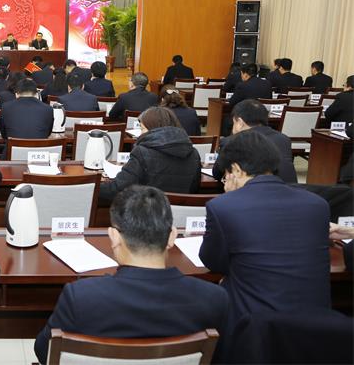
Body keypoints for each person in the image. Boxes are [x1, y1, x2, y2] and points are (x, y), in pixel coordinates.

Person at [35, 185, 228, 364]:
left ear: (114, 237)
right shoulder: (213, 298)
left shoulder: (80, 297)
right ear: (172, 236)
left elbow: (45, 352)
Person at [200, 130, 331, 344]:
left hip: (255, 330)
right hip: (317, 327)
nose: (225, 183)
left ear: (236, 170)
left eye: (225, 176)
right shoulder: (317, 205)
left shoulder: (223, 206)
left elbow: (213, 261)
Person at [99, 107, 201, 203]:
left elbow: (118, 189)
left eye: (142, 129)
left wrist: (93, 187)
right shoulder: (194, 154)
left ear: (153, 129)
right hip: (178, 213)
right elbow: (194, 189)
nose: (140, 134)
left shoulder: (141, 152)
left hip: (146, 212)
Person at [213, 99, 297, 183]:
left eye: (234, 122)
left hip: (256, 189)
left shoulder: (231, 141)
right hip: (290, 189)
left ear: (240, 122)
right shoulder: (284, 139)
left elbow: (217, 174)